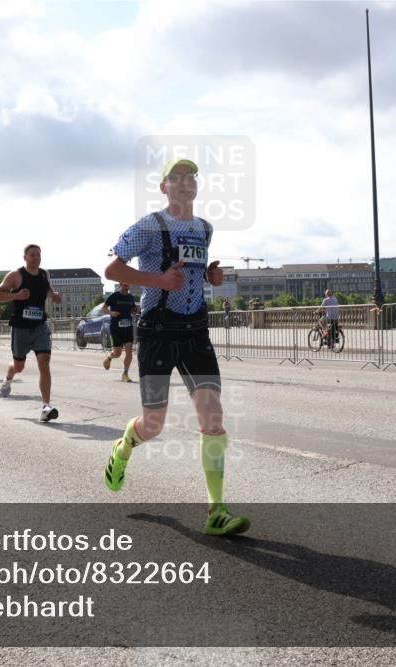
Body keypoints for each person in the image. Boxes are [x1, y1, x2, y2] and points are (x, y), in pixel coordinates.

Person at [101, 157, 249, 536]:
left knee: (212, 418)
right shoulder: (150, 225)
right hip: (157, 330)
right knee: (154, 423)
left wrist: (212, 277)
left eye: (191, 178)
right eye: (177, 178)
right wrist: (159, 280)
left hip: (195, 331)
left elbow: (195, 274)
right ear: (164, 186)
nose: (185, 183)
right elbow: (113, 270)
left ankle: (216, 511)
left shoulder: (204, 228)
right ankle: (124, 446)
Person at [0, 244, 63, 421]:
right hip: (21, 328)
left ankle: (46, 407)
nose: (36, 258)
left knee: (44, 363)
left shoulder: (44, 274)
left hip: (40, 326)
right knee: (19, 366)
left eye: (38, 255)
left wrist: (54, 295)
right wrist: (16, 296)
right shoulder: (15, 275)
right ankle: (9, 377)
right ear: (25, 257)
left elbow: (48, 289)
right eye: (32, 255)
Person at [102, 283, 139, 383]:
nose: (127, 286)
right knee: (117, 354)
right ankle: (110, 357)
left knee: (129, 351)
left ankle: (125, 373)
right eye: (125, 284)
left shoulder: (131, 297)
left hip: (128, 328)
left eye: (128, 284)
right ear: (121, 284)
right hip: (116, 329)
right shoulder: (114, 296)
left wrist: (135, 310)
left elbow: (133, 310)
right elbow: (103, 308)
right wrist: (111, 313)